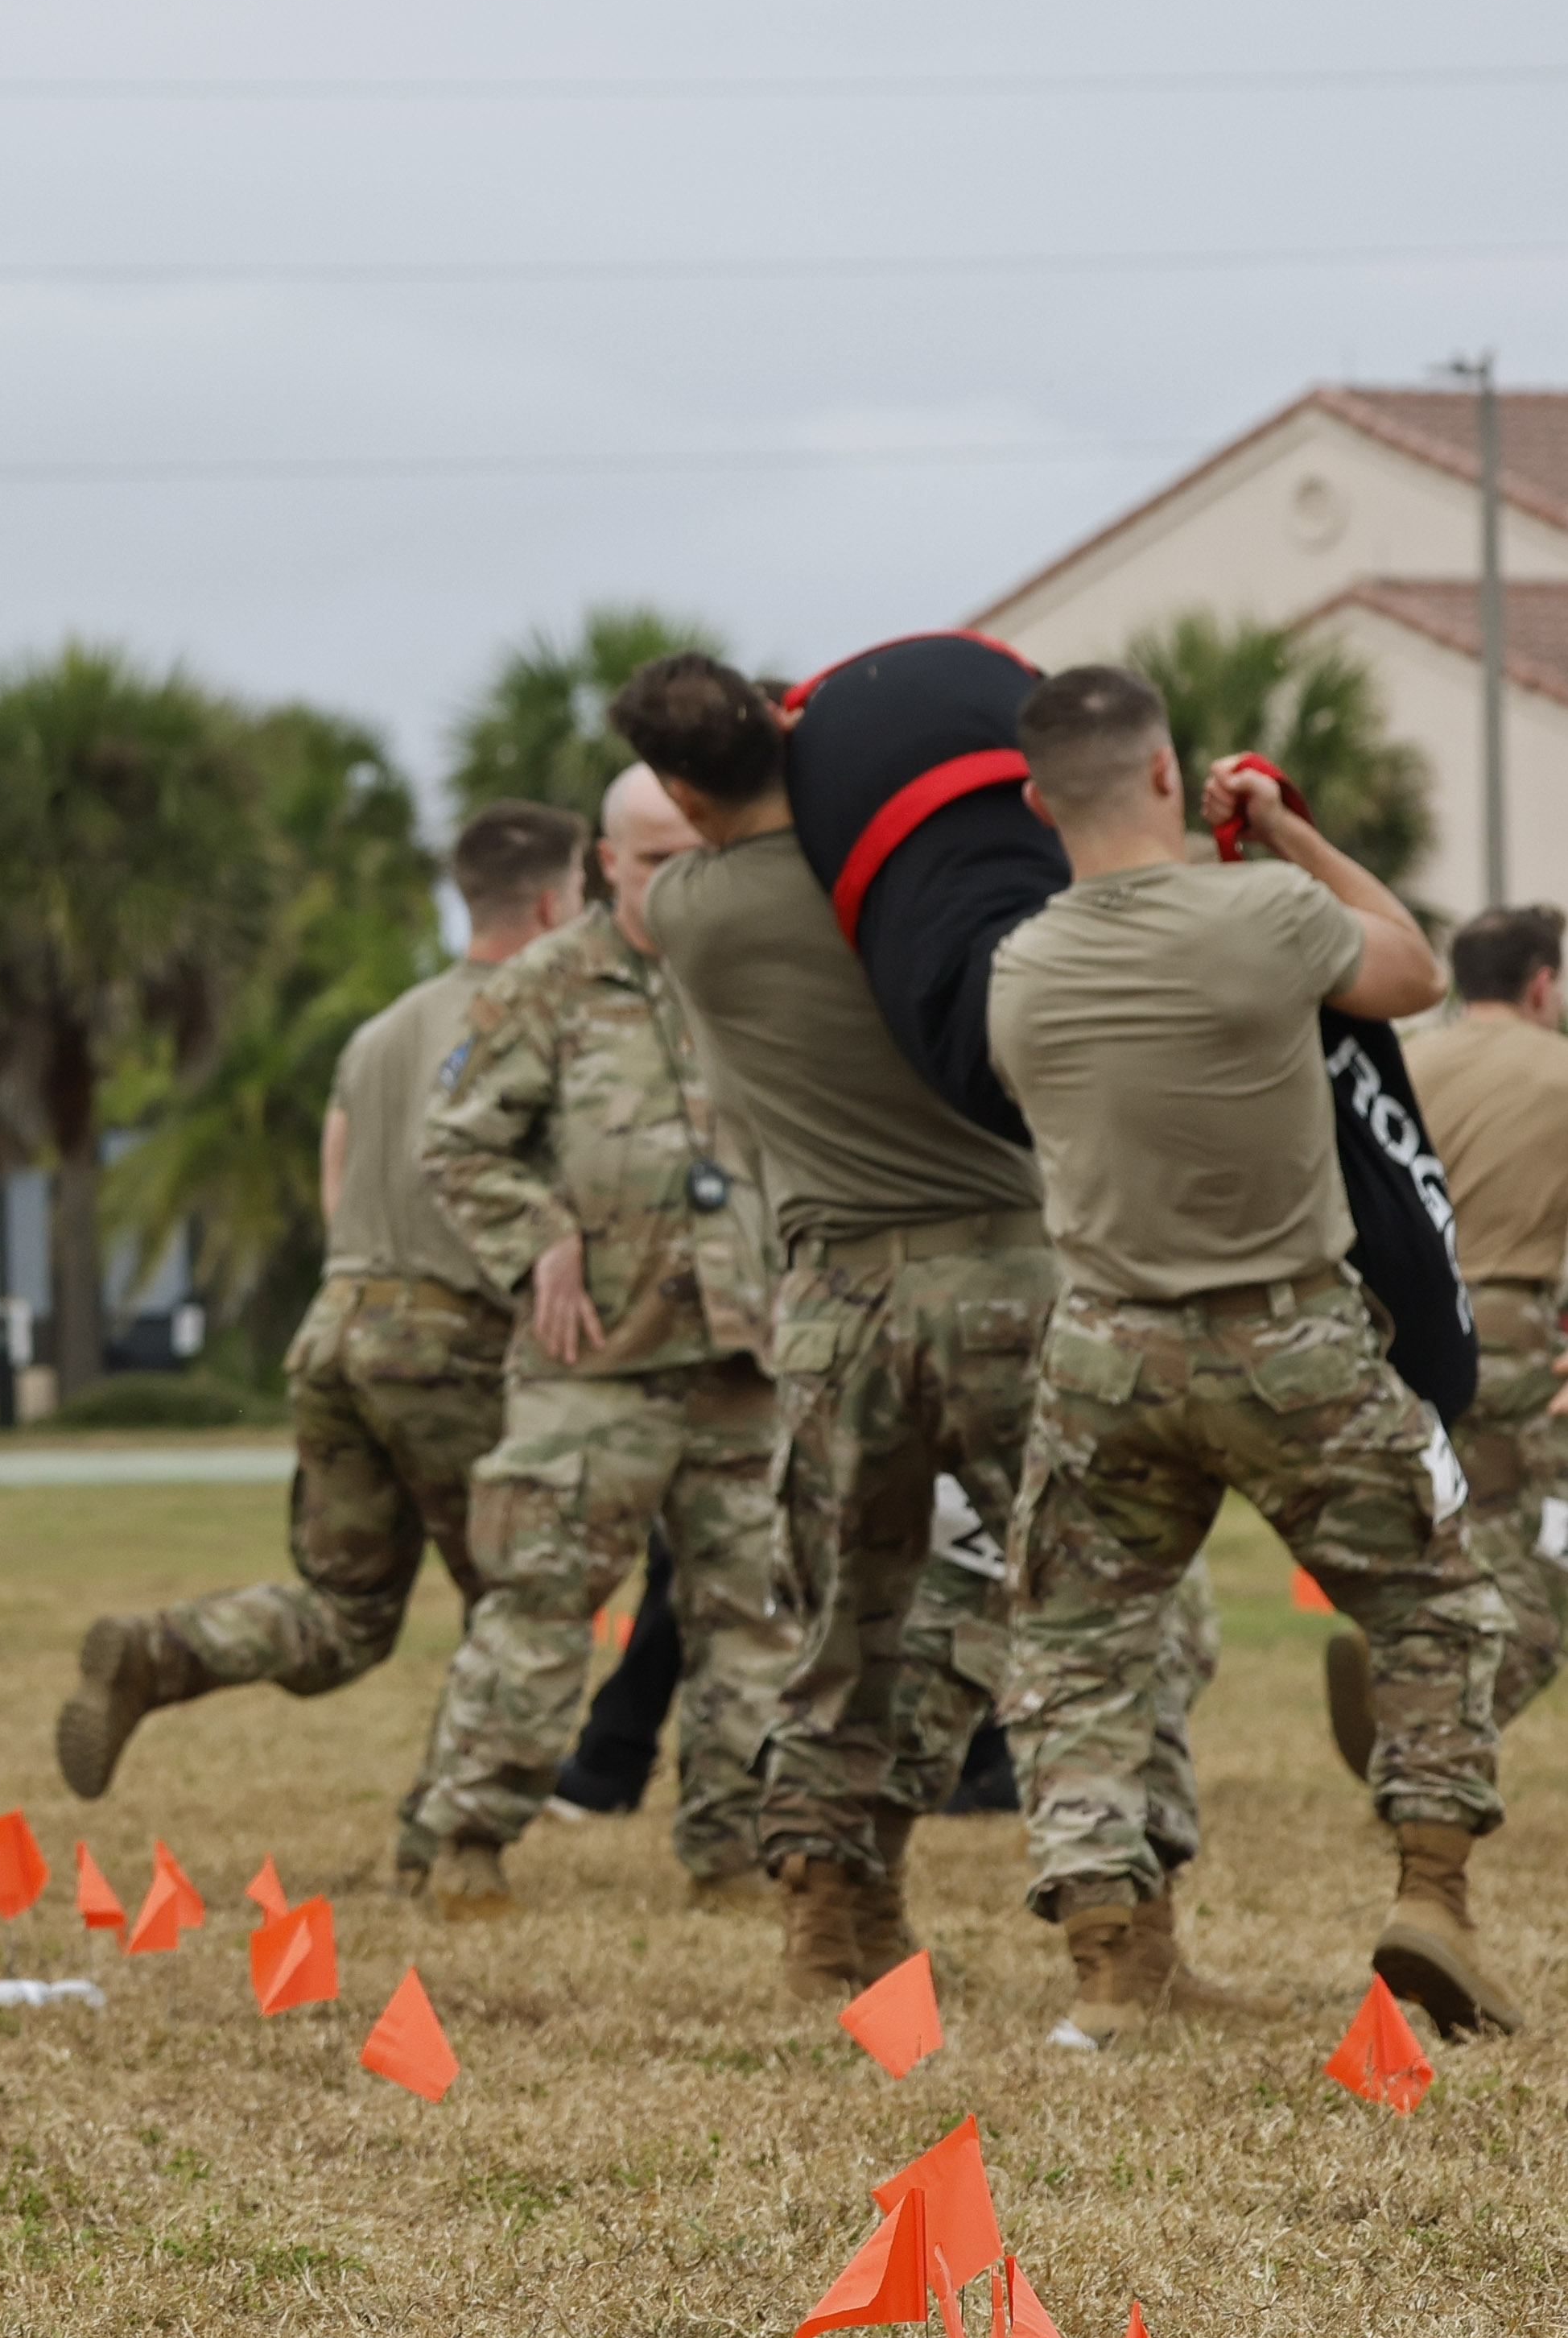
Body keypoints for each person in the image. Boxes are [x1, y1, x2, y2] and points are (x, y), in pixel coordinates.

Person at [607, 648, 1251, 2013]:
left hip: (832, 1309)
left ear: (680, 790)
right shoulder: (885, 881)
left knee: (846, 1631)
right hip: (1014, 1281)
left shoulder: (686, 908)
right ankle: (1126, 1943)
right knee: (1108, 1608)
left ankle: (831, 1928)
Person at [985, 665, 1516, 2043]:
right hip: (1292, 1338)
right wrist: (1283, 829)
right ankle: (1433, 1899)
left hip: (1104, 1350)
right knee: (1433, 1604)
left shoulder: (1022, 966)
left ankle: (1112, 1968)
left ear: (1039, 802)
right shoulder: (1267, 915)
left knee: (1080, 1648)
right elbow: (1412, 970)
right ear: (1168, 774)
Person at [63, 803, 587, 1839]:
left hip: (341, 1325)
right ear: (546, 905)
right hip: (449, 1339)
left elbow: (336, 1186)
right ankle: (449, 1834)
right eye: (580, 894)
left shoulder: (381, 1029)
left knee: (346, 1613)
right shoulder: (545, 1016)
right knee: (519, 1601)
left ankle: (158, 1650)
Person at [407, 769, 805, 1918]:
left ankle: (735, 1849)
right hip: (596, 1363)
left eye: (703, 854)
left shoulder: (754, 970)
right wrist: (539, 1237)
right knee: (538, 1607)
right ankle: (466, 1843)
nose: (683, 880)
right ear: (607, 866)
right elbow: (457, 1146)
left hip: (744, 1355)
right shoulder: (544, 985)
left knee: (757, 1617)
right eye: (658, 860)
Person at [1363, 903, 1568, 1768]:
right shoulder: (1559, 1072)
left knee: (1458, 1540)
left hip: (1405, 1337)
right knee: (1546, 1574)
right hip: (1517, 1342)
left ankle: (1409, 1701)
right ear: (1541, 983)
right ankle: (1426, 1738)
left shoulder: (1402, 1066)